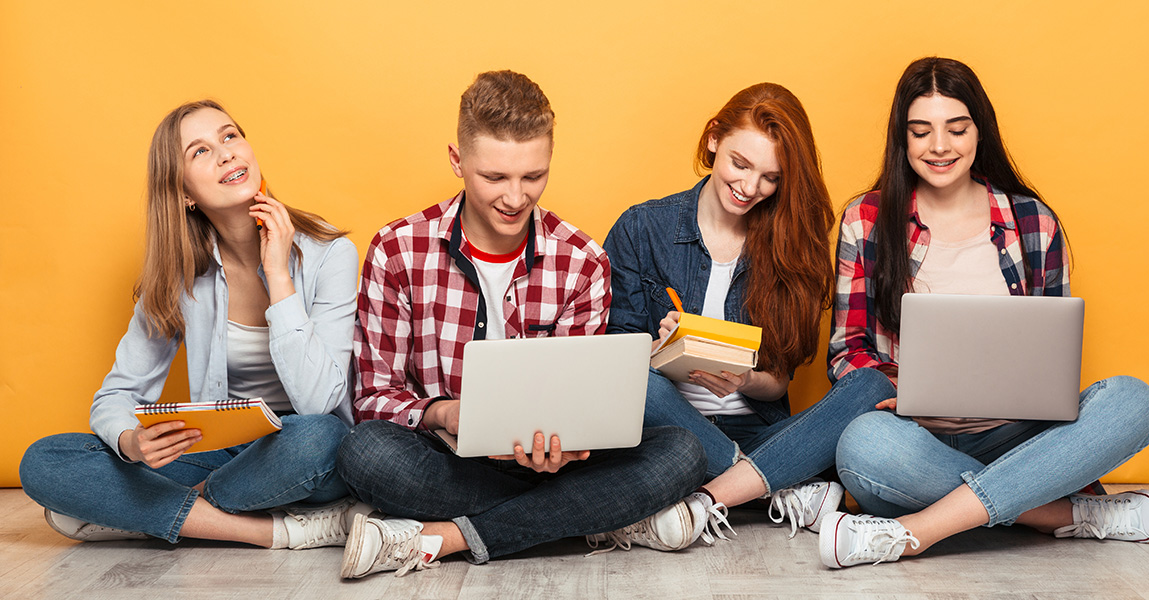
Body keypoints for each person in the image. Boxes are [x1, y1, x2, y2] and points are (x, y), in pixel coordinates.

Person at [335, 70, 707, 579]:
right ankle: (594, 516)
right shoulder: (398, 249)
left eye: (533, 177)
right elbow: (373, 397)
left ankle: (447, 537)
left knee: (682, 453)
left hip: (554, 466)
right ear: (457, 160)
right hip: (447, 459)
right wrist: (443, 414)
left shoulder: (582, 260)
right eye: (495, 178)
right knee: (364, 453)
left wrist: (569, 448)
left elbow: (580, 403)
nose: (515, 198)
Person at [819, 57, 1149, 569]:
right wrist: (906, 399)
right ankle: (1062, 514)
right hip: (917, 441)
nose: (939, 146)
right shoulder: (867, 219)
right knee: (862, 445)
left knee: (1133, 400)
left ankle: (914, 531)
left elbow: (1053, 355)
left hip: (1020, 437)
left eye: (956, 129)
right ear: (903, 139)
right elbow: (846, 348)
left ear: (979, 131)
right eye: (921, 132)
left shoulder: (1033, 220)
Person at [19, 100, 368, 550]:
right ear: (184, 193)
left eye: (229, 136)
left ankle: (148, 513)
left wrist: (279, 276)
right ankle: (272, 531)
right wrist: (130, 443)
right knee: (45, 460)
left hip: (300, 455)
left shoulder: (328, 253)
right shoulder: (177, 275)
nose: (226, 154)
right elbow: (117, 394)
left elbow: (321, 401)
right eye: (200, 152)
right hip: (217, 458)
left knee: (320, 437)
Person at [602, 83, 894, 545]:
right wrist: (660, 351)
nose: (749, 187)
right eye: (740, 164)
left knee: (874, 385)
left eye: (770, 177)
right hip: (667, 431)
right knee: (634, 384)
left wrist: (743, 378)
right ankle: (773, 484)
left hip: (760, 428)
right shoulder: (642, 228)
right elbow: (612, 366)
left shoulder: (793, 244)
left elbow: (778, 381)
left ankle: (714, 494)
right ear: (714, 138)